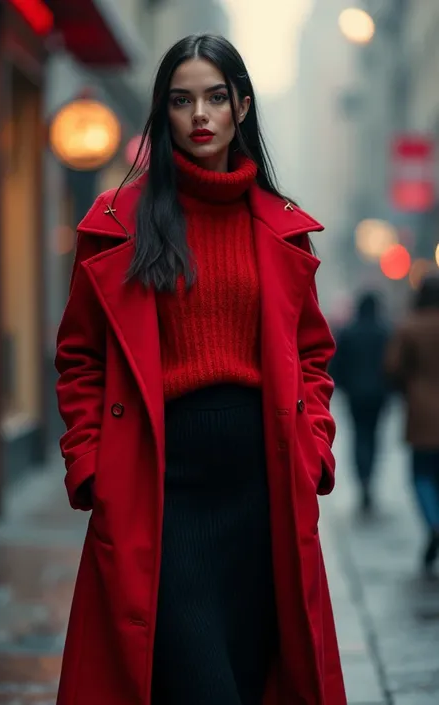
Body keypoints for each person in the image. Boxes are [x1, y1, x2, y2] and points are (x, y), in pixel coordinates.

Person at [55, 34, 346, 705]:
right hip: (159, 485)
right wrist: (91, 463)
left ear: (242, 105)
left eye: (216, 97)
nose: (201, 115)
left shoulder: (282, 228)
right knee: (196, 680)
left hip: (263, 484)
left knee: (250, 678)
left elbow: (311, 354)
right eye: (182, 101)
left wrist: (314, 450)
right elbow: (79, 357)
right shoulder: (117, 225)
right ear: (163, 114)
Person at [385, 274, 439, 575]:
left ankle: (433, 523)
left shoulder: (410, 326)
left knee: (421, 475)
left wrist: (408, 387)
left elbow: (392, 366)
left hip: (421, 413)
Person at [330, 292, 391, 513]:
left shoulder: (348, 333)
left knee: (359, 436)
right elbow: (391, 365)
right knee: (373, 436)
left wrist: (342, 386)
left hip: (355, 395)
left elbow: (336, 365)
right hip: (378, 395)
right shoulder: (385, 332)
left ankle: (362, 477)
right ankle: (369, 476)